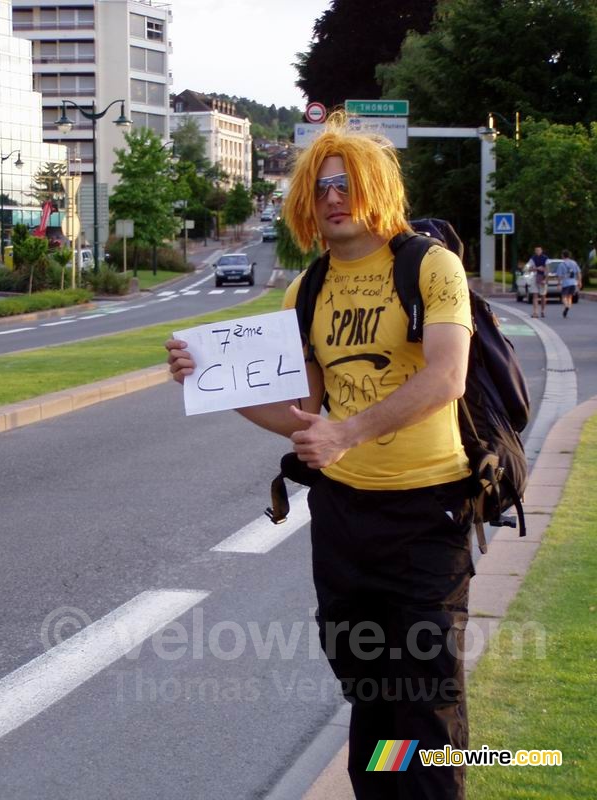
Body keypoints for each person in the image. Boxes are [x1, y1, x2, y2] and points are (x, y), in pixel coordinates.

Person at [165, 118, 474, 800]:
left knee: (423, 698)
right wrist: (209, 380)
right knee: (369, 694)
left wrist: (349, 431)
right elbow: (303, 417)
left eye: (346, 183)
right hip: (343, 519)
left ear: (375, 188)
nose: (333, 196)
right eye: (320, 185)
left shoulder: (427, 264)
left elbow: (448, 376)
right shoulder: (304, 291)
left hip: (429, 511)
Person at [525, 246, 548, 318]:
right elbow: (528, 268)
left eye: (539, 250)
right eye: (536, 250)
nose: (538, 251)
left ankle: (542, 311)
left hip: (542, 278)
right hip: (534, 278)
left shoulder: (546, 259)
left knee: (543, 295)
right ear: (535, 251)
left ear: (541, 251)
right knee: (535, 295)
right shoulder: (532, 259)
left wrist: (545, 279)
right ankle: (535, 312)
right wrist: (537, 268)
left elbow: (547, 269)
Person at [557, 249, 582, 317]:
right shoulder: (574, 263)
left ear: (563, 255)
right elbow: (578, 273)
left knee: (563, 297)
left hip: (565, 283)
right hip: (573, 282)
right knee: (570, 297)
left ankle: (566, 306)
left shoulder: (561, 264)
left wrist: (559, 284)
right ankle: (568, 307)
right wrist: (579, 281)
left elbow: (559, 276)